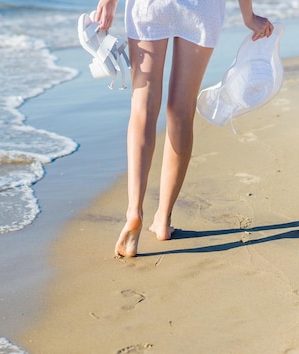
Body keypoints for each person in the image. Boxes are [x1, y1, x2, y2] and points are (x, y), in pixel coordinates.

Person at [93, 0, 274, 257]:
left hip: (150, 6)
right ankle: (163, 220)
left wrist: (109, 2)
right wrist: (248, 15)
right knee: (181, 109)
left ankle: (134, 210)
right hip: (202, 9)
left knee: (143, 106)